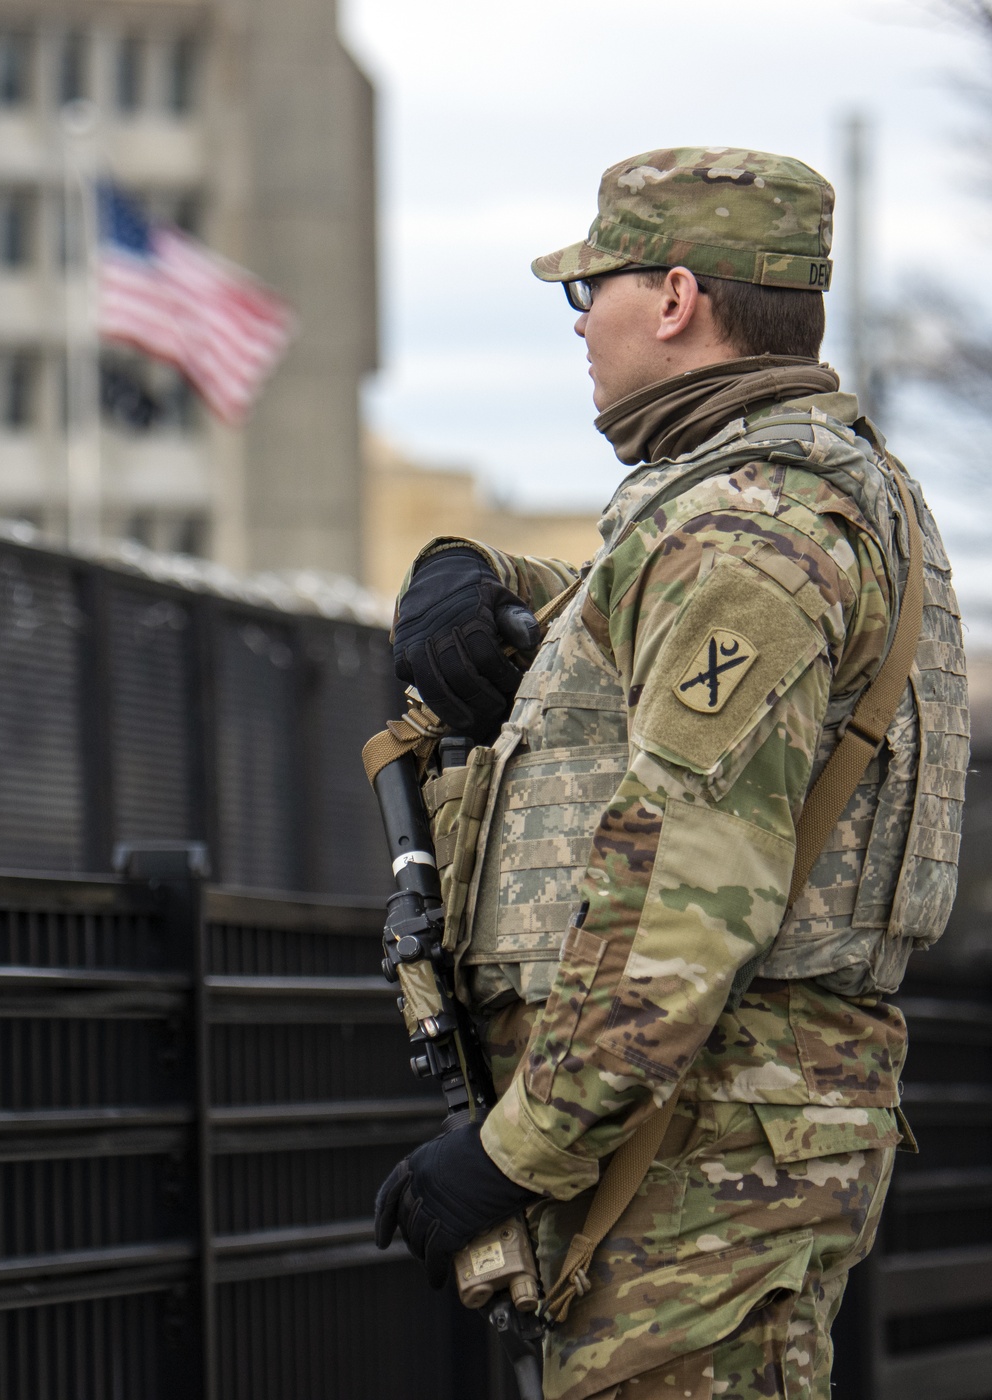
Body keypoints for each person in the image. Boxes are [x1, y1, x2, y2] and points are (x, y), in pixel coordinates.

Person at [374, 147, 967, 1400]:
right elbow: (629, 628)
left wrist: (511, 1147)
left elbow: (688, 887)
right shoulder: (784, 493)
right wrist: (470, 572)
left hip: (697, 1139)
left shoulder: (743, 526)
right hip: (714, 1123)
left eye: (594, 288)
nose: (583, 322)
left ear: (678, 297)